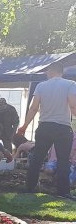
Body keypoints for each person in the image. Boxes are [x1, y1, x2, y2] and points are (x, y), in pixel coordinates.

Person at [19, 62, 76, 198]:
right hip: (63, 127)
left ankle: (30, 187)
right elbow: (73, 106)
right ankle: (63, 192)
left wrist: (24, 126)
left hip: (44, 126)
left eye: (47, 71)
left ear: (51, 71)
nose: (45, 73)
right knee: (63, 161)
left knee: (37, 158)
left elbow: (33, 109)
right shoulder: (70, 84)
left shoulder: (41, 86)